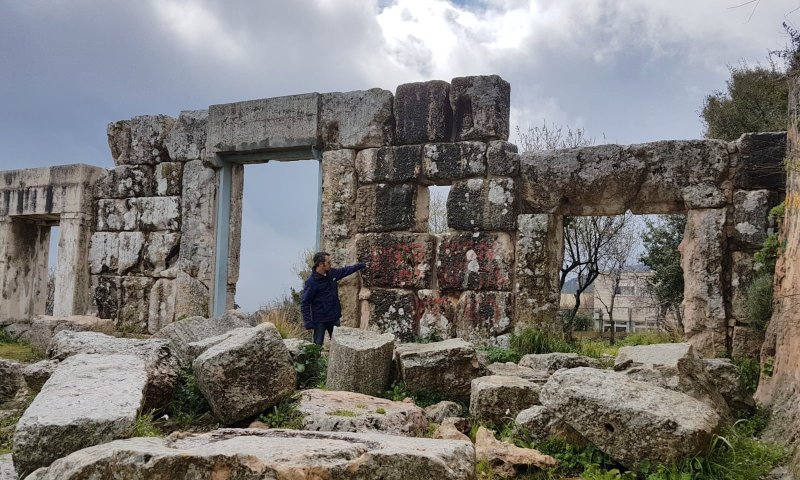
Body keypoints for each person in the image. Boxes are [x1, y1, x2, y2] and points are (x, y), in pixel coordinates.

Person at [300, 251, 366, 346]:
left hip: (334, 317)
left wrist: (361, 265)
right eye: (328, 262)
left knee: (339, 345)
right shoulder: (311, 282)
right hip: (319, 320)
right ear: (321, 264)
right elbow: (305, 303)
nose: (331, 264)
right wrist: (308, 322)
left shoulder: (332, 273)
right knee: (317, 346)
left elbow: (346, 270)